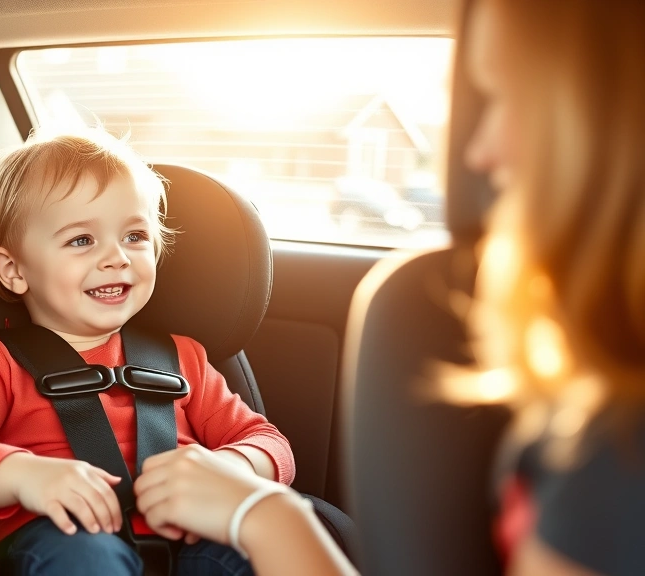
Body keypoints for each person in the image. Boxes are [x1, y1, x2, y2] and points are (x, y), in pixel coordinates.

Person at [135, 1, 645, 575]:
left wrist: (260, 504)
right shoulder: (602, 419)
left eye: (507, 97)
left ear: (609, 125)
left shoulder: (615, 446)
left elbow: (265, 441)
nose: (480, 152)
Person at [0, 128, 296, 576]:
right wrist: (28, 477)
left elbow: (271, 444)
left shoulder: (184, 358)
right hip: (68, 539)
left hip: (195, 542)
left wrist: (226, 469)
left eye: (135, 236)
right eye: (82, 240)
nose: (117, 257)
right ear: (14, 270)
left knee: (270, 544)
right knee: (88, 559)